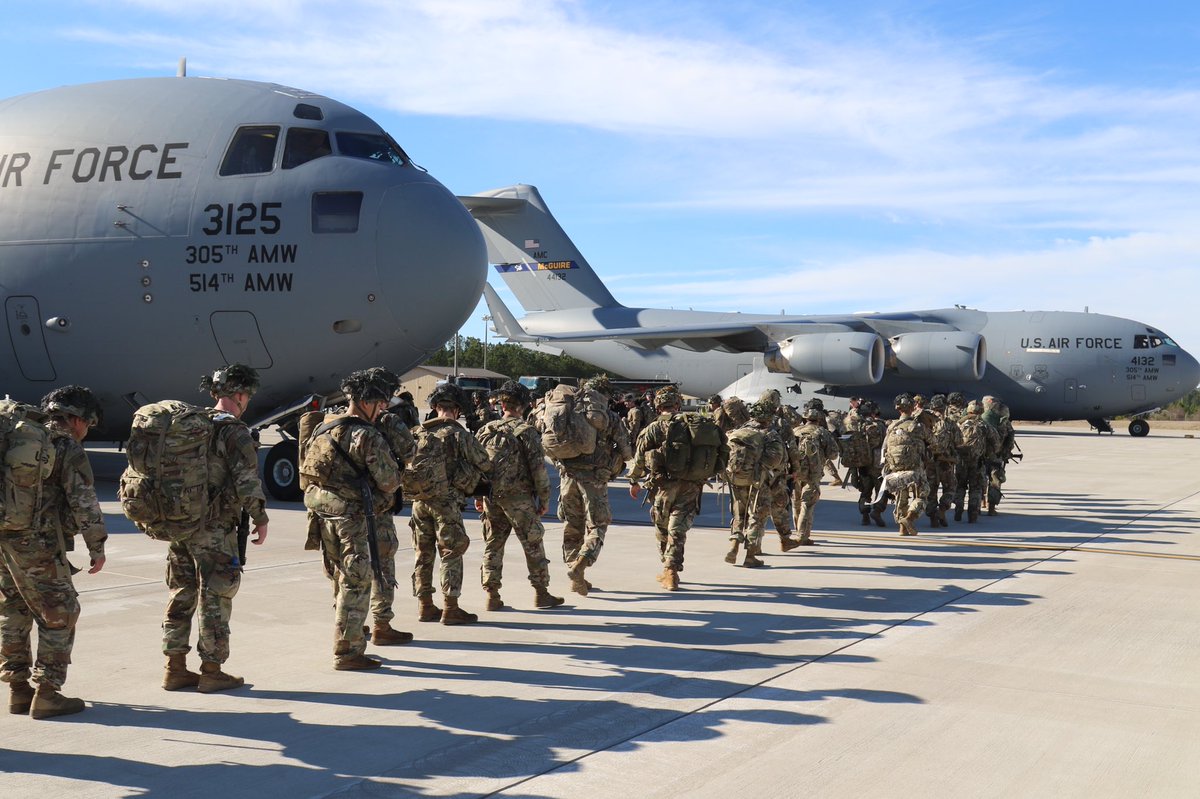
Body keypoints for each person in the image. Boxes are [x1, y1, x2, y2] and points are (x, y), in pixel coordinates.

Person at [160, 365, 268, 692]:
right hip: (214, 529)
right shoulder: (234, 432)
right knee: (215, 595)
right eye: (247, 395)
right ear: (239, 395)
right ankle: (211, 669)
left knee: (181, 592)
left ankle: (174, 667)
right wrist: (260, 518)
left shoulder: (189, 425)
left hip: (180, 522)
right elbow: (247, 482)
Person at [0, 387, 107, 718]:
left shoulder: (22, 433)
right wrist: (97, 544)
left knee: (12, 609)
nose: (86, 432)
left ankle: (19, 691)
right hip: (38, 541)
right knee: (60, 611)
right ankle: (47, 693)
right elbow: (83, 500)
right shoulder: (65, 445)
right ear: (76, 419)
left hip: (3, 536)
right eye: (87, 425)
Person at [302, 368, 400, 669]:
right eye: (380, 401)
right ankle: (348, 651)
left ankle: (349, 632)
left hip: (324, 515)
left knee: (340, 579)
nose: (383, 407)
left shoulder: (323, 429)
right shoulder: (366, 435)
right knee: (357, 582)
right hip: (353, 518)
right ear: (367, 401)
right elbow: (388, 480)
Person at [407, 383, 491, 624]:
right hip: (446, 504)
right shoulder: (459, 434)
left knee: (423, 555)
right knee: (451, 553)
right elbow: (485, 462)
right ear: (457, 411)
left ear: (434, 407)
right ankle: (450, 607)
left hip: (419, 503)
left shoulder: (418, 432)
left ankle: (425, 605)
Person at [474, 381, 563, 611]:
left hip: (492, 497)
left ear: (502, 404)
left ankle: (491, 595)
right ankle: (541, 593)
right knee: (533, 544)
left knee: (493, 544)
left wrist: (477, 495)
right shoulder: (527, 432)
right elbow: (539, 470)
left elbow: (477, 465)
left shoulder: (486, 430)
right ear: (522, 406)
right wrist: (544, 500)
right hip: (519, 499)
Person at [629, 386, 729, 589]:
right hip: (692, 485)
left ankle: (668, 569)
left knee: (662, 527)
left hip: (663, 485)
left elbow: (639, 459)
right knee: (678, 528)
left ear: (658, 407)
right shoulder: (695, 425)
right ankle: (671, 568)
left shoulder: (654, 428)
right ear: (677, 404)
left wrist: (634, 480)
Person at [556, 375, 631, 596]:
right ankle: (580, 566)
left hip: (567, 477)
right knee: (598, 525)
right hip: (594, 479)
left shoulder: (569, 412)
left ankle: (575, 572)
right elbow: (626, 450)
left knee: (573, 525)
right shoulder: (608, 417)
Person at [370, 373, 418, 645]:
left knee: (351, 569)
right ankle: (382, 625)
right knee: (383, 565)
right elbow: (412, 453)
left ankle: (353, 625)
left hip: (346, 509)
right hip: (378, 505)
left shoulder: (341, 422)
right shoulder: (389, 421)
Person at [724, 400, 787, 567]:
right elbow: (776, 459)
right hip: (759, 482)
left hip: (737, 479)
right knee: (756, 516)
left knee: (739, 515)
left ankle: (733, 546)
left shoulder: (739, 430)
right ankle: (750, 556)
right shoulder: (770, 434)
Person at [879, 393, 932, 536]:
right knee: (922, 494)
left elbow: (884, 448)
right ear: (912, 408)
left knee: (900, 497)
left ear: (898, 409)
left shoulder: (890, 427)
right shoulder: (917, 426)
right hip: (915, 467)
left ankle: (902, 529)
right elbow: (932, 441)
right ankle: (910, 518)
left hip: (895, 467)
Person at [791, 407, 838, 545]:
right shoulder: (822, 432)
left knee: (796, 502)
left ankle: (798, 531)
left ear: (805, 419)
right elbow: (833, 454)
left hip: (796, 472)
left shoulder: (795, 431)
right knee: (808, 504)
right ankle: (802, 536)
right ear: (818, 420)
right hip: (813, 473)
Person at [954, 400, 1000, 523]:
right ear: (981, 411)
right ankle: (973, 513)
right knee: (976, 488)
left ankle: (958, 510)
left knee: (960, 486)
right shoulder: (984, 425)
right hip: (977, 462)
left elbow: (951, 441)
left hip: (960, 461)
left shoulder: (959, 425)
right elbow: (996, 444)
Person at [926, 394, 962, 527]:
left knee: (930, 492)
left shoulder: (926, 422)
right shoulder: (950, 424)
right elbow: (959, 441)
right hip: (946, 463)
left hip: (929, 463)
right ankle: (942, 509)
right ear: (944, 407)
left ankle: (932, 518)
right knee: (950, 488)